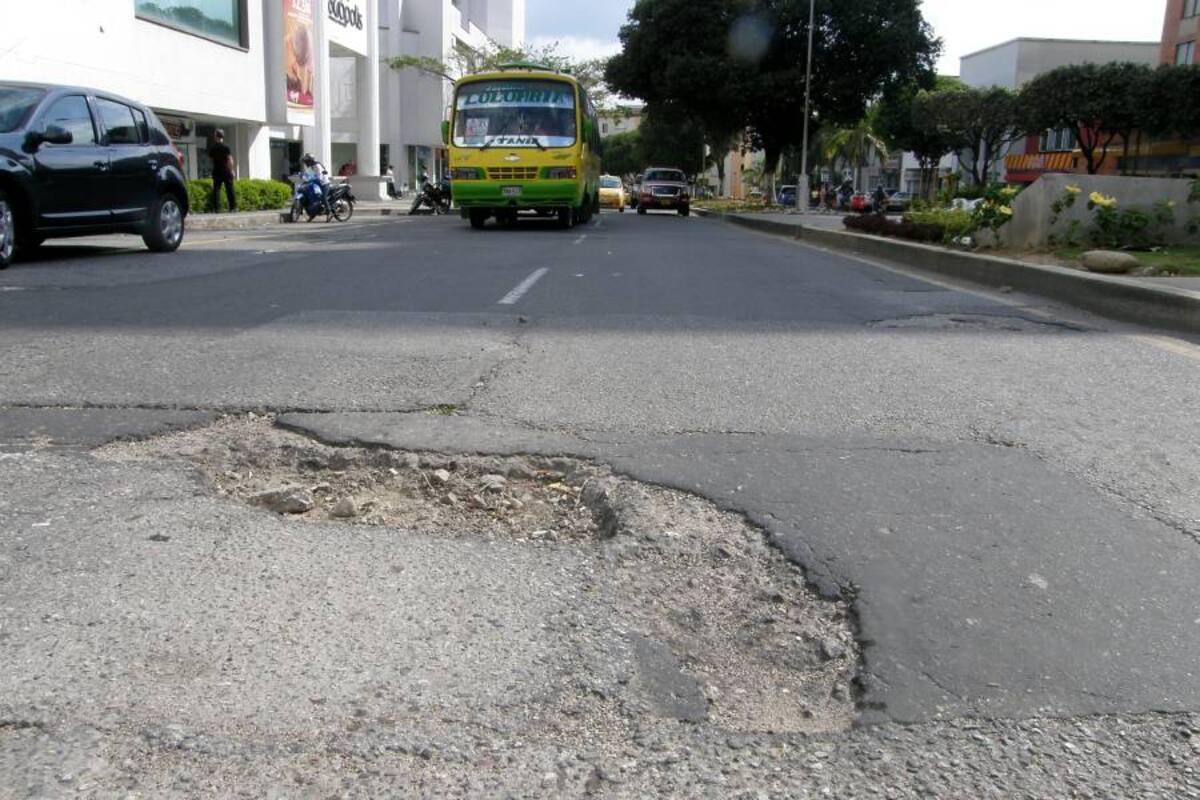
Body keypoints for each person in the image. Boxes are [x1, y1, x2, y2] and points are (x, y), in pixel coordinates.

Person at [207, 129, 236, 213]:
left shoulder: (212, 148)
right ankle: (232, 208)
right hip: (226, 170)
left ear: (216, 136)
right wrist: (232, 170)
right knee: (229, 189)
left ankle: (216, 209)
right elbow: (230, 160)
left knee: (216, 190)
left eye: (214, 135)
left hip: (216, 170)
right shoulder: (226, 147)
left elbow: (210, 159)